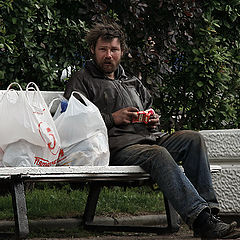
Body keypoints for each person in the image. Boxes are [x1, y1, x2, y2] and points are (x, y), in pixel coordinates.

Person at [64, 22, 237, 239]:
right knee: (157, 154)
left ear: (122, 52)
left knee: (193, 139)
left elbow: (148, 109)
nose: (108, 55)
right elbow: (72, 122)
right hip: (115, 148)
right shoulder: (82, 80)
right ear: (93, 50)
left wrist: (153, 120)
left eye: (114, 50)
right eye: (103, 49)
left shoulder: (132, 81)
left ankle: (209, 216)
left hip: (149, 140)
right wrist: (112, 118)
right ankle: (201, 221)